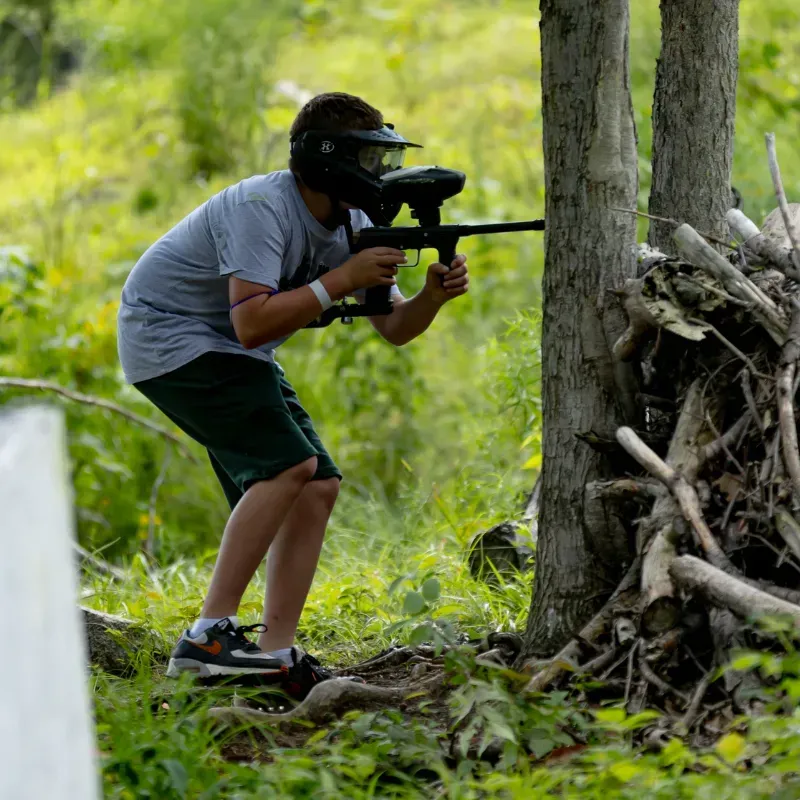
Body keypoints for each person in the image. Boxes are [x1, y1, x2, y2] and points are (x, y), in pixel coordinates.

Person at [116, 91, 469, 699]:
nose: (379, 174)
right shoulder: (261, 208)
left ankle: (274, 655)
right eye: (369, 159)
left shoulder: (354, 220)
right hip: (170, 337)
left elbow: (392, 327)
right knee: (286, 466)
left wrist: (432, 296)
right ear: (330, 161)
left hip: (230, 350)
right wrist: (340, 281)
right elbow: (252, 322)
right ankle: (207, 639)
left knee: (317, 484)